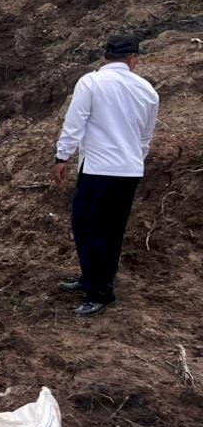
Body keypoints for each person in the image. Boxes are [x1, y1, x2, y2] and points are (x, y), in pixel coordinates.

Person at [52, 35, 159, 317]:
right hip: (129, 171)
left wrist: (62, 156)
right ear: (133, 59)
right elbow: (146, 137)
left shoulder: (91, 82)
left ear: (106, 56)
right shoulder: (147, 90)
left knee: (86, 227)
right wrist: (134, 158)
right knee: (112, 231)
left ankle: (99, 290)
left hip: (98, 169)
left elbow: (74, 122)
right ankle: (95, 280)